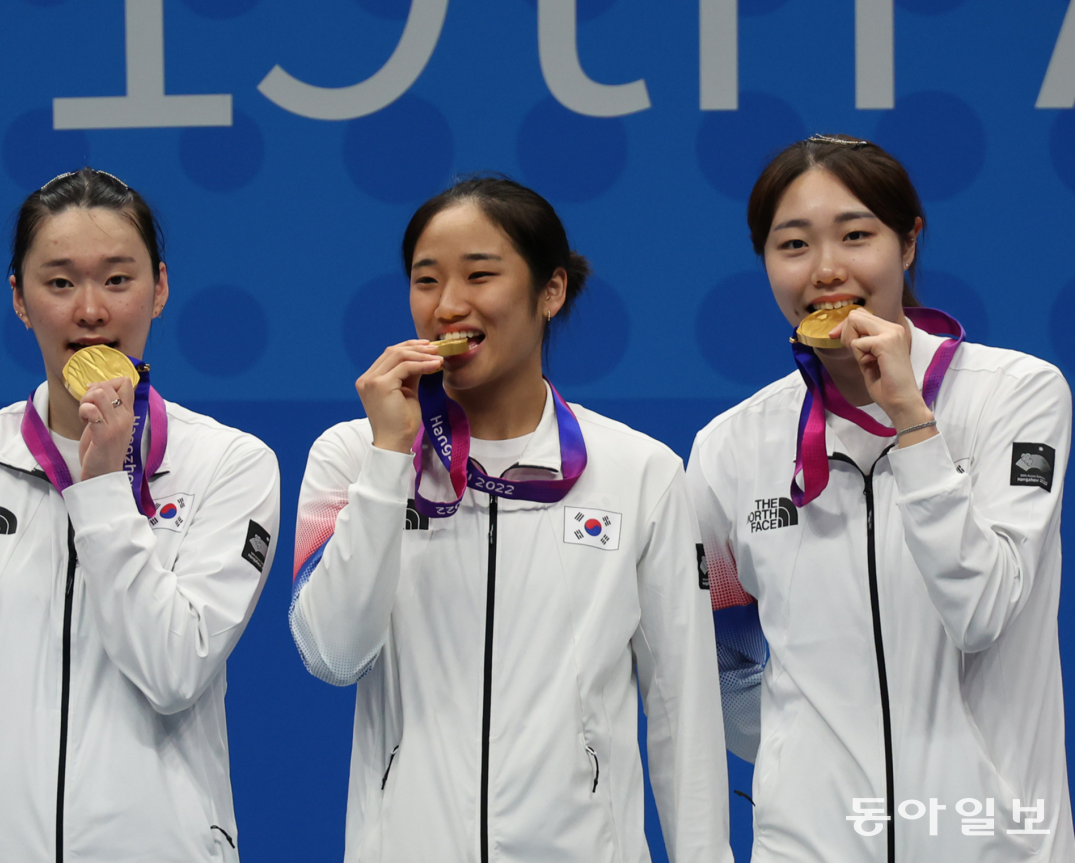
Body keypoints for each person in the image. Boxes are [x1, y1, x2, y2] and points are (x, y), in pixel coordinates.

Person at [290, 176, 731, 862]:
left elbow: (685, 711)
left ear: (550, 290)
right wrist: (386, 460)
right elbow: (332, 655)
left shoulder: (640, 471)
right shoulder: (351, 454)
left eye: (480, 274)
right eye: (426, 279)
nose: (447, 305)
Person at [688, 135, 1074, 861]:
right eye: (793, 244)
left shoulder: (1015, 396)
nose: (827, 270)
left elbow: (983, 609)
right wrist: (805, 770)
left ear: (909, 241)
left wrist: (913, 422)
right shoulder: (732, 447)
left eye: (857, 235)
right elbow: (715, 652)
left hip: (992, 845)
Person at [0, 168, 280, 862]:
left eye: (117, 281)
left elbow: (174, 669)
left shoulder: (230, 465)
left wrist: (99, 488)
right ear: (20, 299)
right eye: (59, 283)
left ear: (160, 289)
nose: (90, 311)